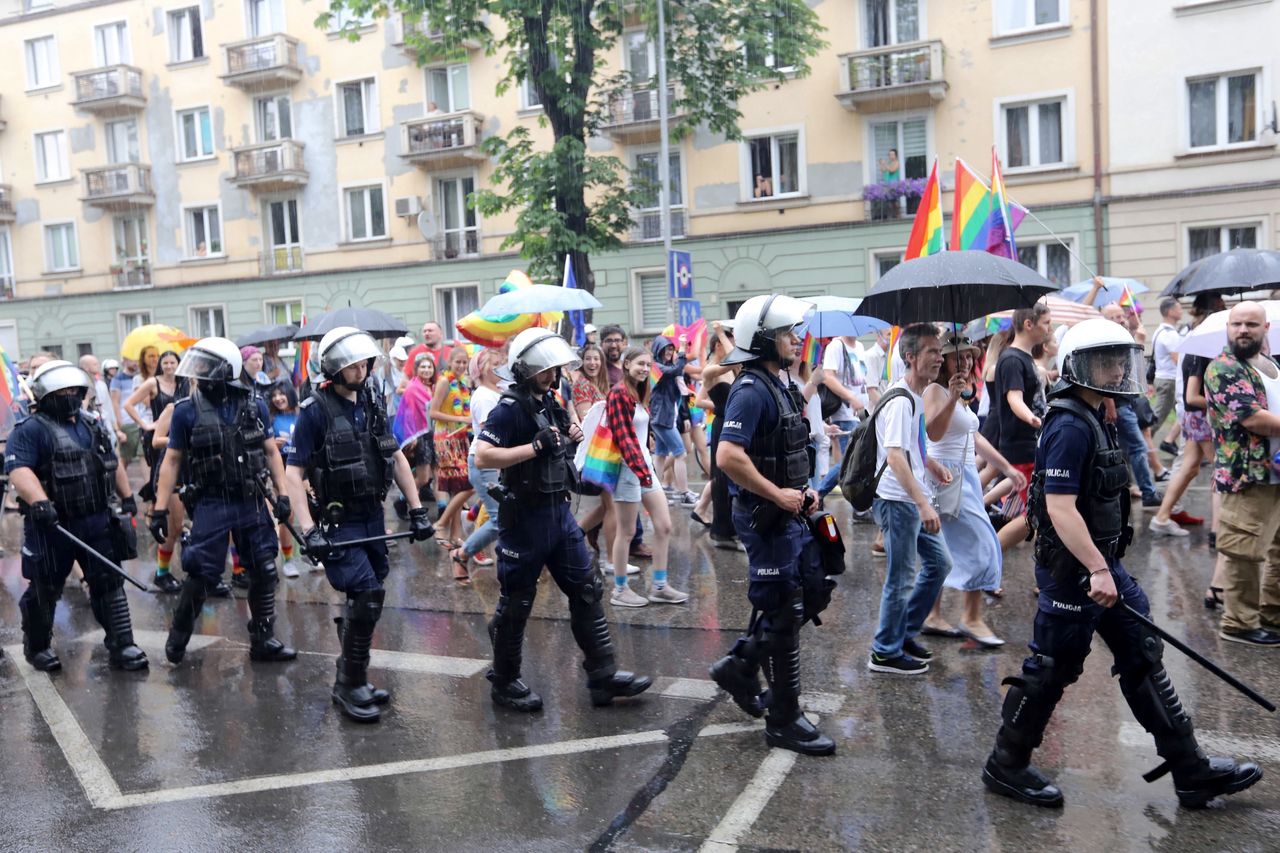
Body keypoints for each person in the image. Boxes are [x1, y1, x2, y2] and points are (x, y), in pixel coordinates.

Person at [982, 318, 1262, 809]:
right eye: (1105, 360)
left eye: (1119, 359)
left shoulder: (1097, 413)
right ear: (1079, 366)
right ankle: (1006, 763)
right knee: (1053, 669)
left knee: (1141, 654)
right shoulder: (1069, 423)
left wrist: (1105, 567)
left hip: (1103, 565)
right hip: (1075, 573)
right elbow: (1059, 509)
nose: (1115, 369)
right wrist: (1096, 569)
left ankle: (1189, 769)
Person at [474, 328, 652, 712]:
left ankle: (602, 676)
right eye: (545, 369)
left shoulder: (549, 400)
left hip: (559, 513)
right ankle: (504, 682)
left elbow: (563, 435)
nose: (552, 375)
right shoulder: (509, 408)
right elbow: (483, 456)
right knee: (517, 602)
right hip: (524, 518)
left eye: (555, 368)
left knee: (587, 590)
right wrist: (532, 447)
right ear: (525, 369)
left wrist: (570, 432)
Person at [709, 294, 836, 756]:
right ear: (764, 340)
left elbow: (788, 445)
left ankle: (740, 668)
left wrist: (804, 491)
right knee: (782, 613)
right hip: (766, 518)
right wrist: (777, 493)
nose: (796, 339)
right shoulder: (749, 388)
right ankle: (784, 718)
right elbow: (728, 456)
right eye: (787, 333)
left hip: (792, 513)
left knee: (811, 592)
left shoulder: (778, 381)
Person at [286, 327, 432, 723]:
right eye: (352, 362)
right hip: (338, 520)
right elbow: (294, 470)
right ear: (334, 367)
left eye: (364, 360)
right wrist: (308, 529)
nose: (361, 367)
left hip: (372, 515)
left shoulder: (372, 401)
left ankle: (351, 677)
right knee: (365, 593)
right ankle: (350, 683)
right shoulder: (314, 410)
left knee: (367, 597)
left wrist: (417, 509)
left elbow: (396, 455)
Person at [149, 337, 297, 666]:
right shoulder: (186, 410)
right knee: (202, 573)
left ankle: (263, 639)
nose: (197, 373)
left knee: (263, 569)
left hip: (251, 500)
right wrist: (159, 510)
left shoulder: (255, 405)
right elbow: (172, 461)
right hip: (212, 501)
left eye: (204, 366)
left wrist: (283, 495)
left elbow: (271, 451)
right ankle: (179, 637)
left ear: (223, 370)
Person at [7, 360, 145, 672]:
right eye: (63, 390)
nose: (70, 395)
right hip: (52, 527)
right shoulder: (30, 430)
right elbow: (19, 469)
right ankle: (38, 647)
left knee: (109, 584)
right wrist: (41, 503)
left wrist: (127, 497)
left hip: (96, 521)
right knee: (45, 589)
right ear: (46, 395)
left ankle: (123, 645)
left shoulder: (92, 424)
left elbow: (112, 462)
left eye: (74, 389)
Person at [922, 333, 1023, 646]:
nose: (965, 362)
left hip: (964, 475)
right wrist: (952, 398)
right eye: (958, 357)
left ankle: (932, 614)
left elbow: (974, 438)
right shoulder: (935, 390)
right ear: (943, 360)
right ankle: (970, 617)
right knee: (983, 543)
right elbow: (933, 434)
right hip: (946, 476)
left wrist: (1006, 468)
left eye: (968, 357)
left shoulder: (961, 393)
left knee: (946, 548)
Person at [867, 324, 955, 675]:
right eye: (932, 351)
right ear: (910, 356)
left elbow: (911, 447)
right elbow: (894, 457)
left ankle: (902, 633)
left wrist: (929, 463)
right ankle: (884, 652)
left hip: (909, 497)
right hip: (898, 501)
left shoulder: (915, 396)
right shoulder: (902, 399)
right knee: (901, 577)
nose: (939, 357)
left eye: (939, 350)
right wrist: (922, 502)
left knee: (939, 564)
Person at [1205, 302, 1280, 646]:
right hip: (1246, 473)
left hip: (1274, 469)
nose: (1243, 330)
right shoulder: (1223, 368)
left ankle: (1272, 614)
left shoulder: (1269, 364)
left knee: (1276, 547)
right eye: (1237, 324)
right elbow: (1253, 419)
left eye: (1251, 323)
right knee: (1243, 549)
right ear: (1228, 327)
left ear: (1266, 327)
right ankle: (1239, 624)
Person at [606, 346, 686, 607]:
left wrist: (647, 459)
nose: (643, 368)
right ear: (627, 364)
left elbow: (637, 433)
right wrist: (643, 472)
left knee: (664, 525)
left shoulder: (639, 390)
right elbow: (623, 438)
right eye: (639, 363)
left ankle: (660, 586)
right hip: (628, 470)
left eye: (647, 364)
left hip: (643, 467)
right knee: (627, 532)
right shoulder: (618, 393)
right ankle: (619, 590)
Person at [1150, 295, 1221, 537]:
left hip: (1192, 416)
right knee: (1221, 469)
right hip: (1199, 416)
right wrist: (1224, 403)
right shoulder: (1200, 350)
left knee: (1189, 468)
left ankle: (1162, 518)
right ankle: (1218, 530)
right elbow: (1192, 396)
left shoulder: (1193, 346)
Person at [1101, 303, 1164, 507]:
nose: (1121, 320)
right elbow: (1105, 377)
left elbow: (1136, 377)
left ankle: (1127, 490)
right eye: (1114, 317)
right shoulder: (1109, 342)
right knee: (1138, 447)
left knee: (1126, 450)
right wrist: (1110, 404)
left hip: (1126, 403)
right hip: (1118, 404)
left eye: (1122, 316)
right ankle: (1148, 492)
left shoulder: (1123, 337)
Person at [450, 349, 504, 580]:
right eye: (495, 364)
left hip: (496, 461)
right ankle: (462, 554)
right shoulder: (483, 396)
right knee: (499, 519)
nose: (500, 367)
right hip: (485, 464)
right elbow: (491, 433)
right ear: (481, 369)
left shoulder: (498, 392)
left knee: (506, 516)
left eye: (501, 363)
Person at [430, 346, 475, 549]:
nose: (461, 365)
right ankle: (441, 524)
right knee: (466, 484)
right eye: (458, 362)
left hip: (459, 437)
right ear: (450, 363)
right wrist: (462, 418)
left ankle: (456, 536)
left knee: (459, 487)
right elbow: (433, 412)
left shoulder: (462, 384)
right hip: (445, 440)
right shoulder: (444, 382)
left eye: (464, 362)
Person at [816, 334, 869, 498]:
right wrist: (851, 397)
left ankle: (818, 494)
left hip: (860, 413)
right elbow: (827, 377)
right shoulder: (836, 346)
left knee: (852, 462)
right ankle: (817, 494)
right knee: (850, 462)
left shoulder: (859, 347)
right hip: (845, 414)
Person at [649, 334, 697, 506]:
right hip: (662, 418)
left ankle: (655, 492)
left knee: (661, 455)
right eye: (666, 349)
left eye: (671, 349)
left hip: (664, 417)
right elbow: (676, 371)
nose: (669, 352)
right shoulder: (657, 366)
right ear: (658, 350)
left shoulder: (665, 366)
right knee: (681, 453)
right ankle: (684, 493)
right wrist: (682, 349)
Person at [266, 381, 303, 578]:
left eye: (282, 394)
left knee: (312, 513)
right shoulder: (270, 418)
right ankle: (288, 559)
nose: (278, 398)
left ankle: (312, 553)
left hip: (303, 469)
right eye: (274, 395)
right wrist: (273, 444)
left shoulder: (301, 415)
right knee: (287, 516)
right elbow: (264, 447)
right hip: (282, 468)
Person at [1151, 297, 1183, 444]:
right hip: (1168, 380)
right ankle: (1141, 444)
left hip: (1165, 378)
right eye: (1179, 308)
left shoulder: (1160, 331)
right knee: (1157, 418)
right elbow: (1177, 359)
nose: (1181, 310)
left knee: (1184, 414)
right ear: (1170, 312)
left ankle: (1172, 443)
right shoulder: (1169, 334)